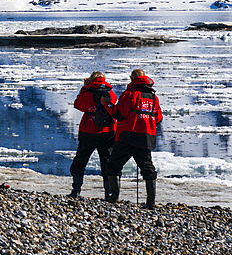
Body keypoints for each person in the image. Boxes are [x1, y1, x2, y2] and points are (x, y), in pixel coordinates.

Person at [101, 68, 163, 209]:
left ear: (132, 78)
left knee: (114, 165)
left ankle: (114, 197)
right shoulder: (154, 97)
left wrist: (107, 103)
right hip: (146, 137)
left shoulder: (130, 94)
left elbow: (119, 113)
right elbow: (158, 118)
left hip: (128, 136)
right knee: (148, 169)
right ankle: (150, 202)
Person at [69, 71, 117, 199]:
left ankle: (76, 191)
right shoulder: (110, 92)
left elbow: (78, 104)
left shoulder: (87, 92)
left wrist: (84, 87)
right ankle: (109, 193)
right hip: (107, 132)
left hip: (88, 132)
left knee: (80, 161)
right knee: (107, 162)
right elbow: (114, 104)